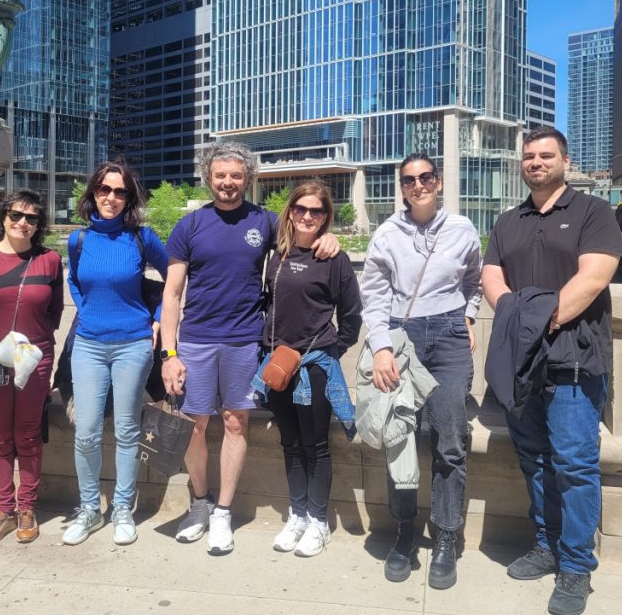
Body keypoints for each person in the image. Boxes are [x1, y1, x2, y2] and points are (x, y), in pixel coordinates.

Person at [159, 141, 339, 555]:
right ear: (209, 178)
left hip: (244, 339)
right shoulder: (190, 226)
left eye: (236, 176)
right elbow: (171, 295)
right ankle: (200, 505)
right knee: (195, 426)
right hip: (196, 339)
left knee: (236, 422)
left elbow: (307, 232)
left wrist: (331, 241)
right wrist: (169, 355)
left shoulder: (267, 221)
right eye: (220, 175)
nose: (228, 183)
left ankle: (223, 512)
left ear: (248, 179)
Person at [481, 126, 622, 615]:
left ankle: (576, 566)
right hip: (523, 364)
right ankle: (546, 544)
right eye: (528, 157)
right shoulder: (507, 220)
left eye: (545, 155)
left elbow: (594, 277)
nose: (535, 162)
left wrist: (534, 321)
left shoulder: (593, 212)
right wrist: (522, 328)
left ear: (565, 160)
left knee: (575, 465)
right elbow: (491, 278)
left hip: (575, 362)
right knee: (534, 459)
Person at [358, 153, 482, 590]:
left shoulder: (463, 229)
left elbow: (473, 280)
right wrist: (380, 347)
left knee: (449, 438)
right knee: (400, 438)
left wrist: (468, 316)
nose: (418, 185)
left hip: (448, 336)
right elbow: (372, 296)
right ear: (401, 186)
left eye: (425, 177)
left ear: (439, 181)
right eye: (409, 179)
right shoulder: (387, 234)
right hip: (402, 337)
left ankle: (446, 537)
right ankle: (405, 532)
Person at [60, 161, 168, 547]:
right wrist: (84, 307)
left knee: (126, 430)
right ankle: (89, 509)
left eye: (120, 191)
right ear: (92, 194)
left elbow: (174, 274)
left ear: (130, 198)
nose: (111, 197)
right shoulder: (79, 241)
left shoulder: (142, 238)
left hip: (133, 345)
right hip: (88, 343)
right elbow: (74, 278)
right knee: (86, 430)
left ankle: (122, 507)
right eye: (104, 190)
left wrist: (157, 317)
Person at [253, 180, 362, 558]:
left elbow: (352, 316)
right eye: (302, 209)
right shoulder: (277, 255)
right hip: (278, 364)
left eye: (317, 211)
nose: (308, 216)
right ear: (291, 211)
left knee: (316, 446)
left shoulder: (333, 259)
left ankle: (318, 520)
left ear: (326, 217)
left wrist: (330, 351)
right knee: (291, 444)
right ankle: (297, 513)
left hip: (315, 365)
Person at [0, 189, 64, 546]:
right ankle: (3, 509)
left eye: (32, 218)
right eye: (16, 215)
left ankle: (27, 507)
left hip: (34, 359)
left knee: (28, 433)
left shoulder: (49, 260)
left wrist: (30, 347)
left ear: (39, 224)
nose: (23, 223)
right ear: (2, 217)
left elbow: (54, 314)